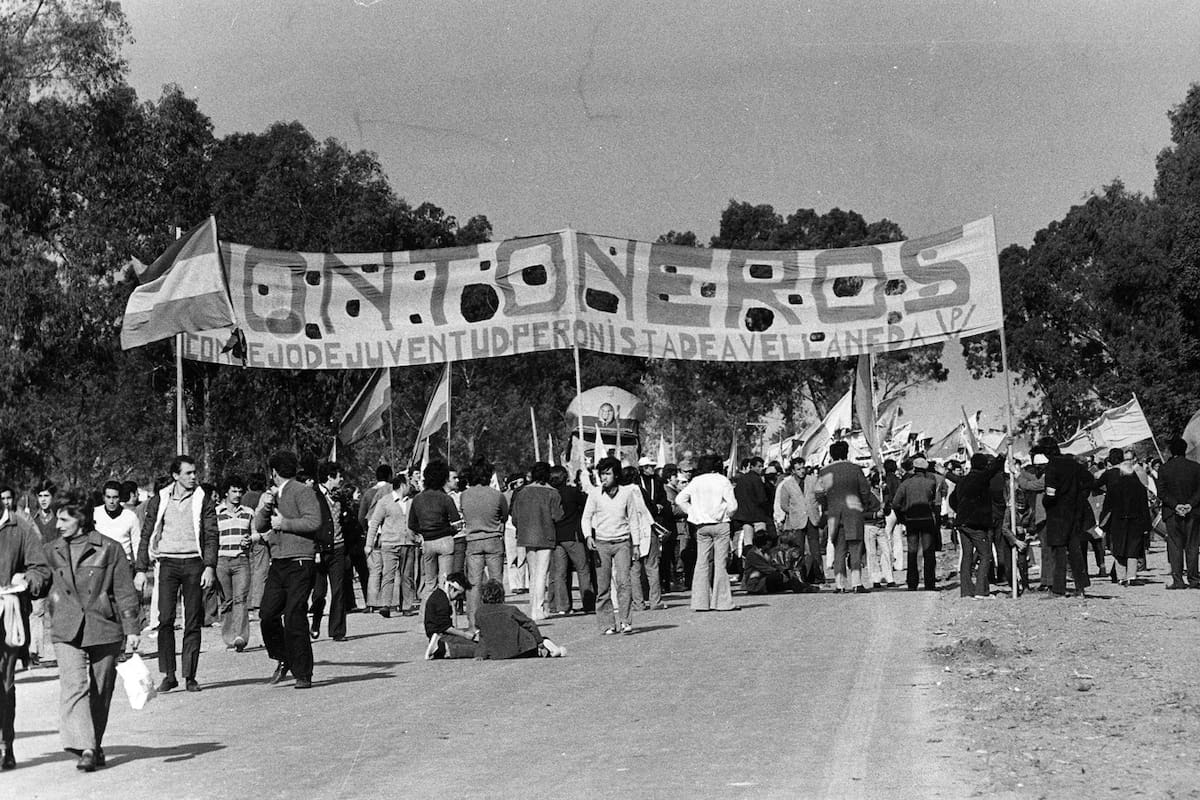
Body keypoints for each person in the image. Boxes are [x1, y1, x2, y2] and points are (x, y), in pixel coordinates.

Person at [44, 495, 140, 772]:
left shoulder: (109, 548)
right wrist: (27, 580)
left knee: (101, 691)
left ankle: (94, 745)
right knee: (74, 686)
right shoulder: (51, 550)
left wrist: (132, 629)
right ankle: (86, 746)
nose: (57, 524)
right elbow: (40, 579)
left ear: (81, 519)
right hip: (66, 627)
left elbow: (124, 591)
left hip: (103, 626)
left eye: (64, 519)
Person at [134, 455, 219, 693]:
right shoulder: (160, 499)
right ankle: (169, 675)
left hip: (194, 563)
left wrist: (210, 566)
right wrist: (141, 569)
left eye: (194, 473)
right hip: (167, 564)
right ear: (175, 475)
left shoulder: (203, 499)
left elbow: (212, 534)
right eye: (188, 473)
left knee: (193, 621)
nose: (193, 477)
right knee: (165, 620)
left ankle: (190, 675)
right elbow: (146, 533)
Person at [256, 451, 324, 689]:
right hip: (279, 561)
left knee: (295, 615)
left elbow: (314, 521)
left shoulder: (302, 491)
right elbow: (259, 525)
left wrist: (284, 523)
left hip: (300, 561)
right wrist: (264, 508)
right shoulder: (273, 495)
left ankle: (303, 672)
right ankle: (283, 655)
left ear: (273, 472)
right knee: (267, 614)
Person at [0, 498, 51, 770]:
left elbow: (41, 569)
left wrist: (26, 580)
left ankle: (4, 744)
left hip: (7, 617)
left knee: (4, 684)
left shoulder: (20, 527)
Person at [581, 457, 653, 634]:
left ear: (616, 475)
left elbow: (634, 519)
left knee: (624, 583)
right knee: (603, 585)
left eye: (607, 474)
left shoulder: (626, 493)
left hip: (622, 543)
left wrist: (636, 544)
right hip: (601, 544)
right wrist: (588, 536)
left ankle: (625, 621)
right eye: (601, 474)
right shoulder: (595, 494)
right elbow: (586, 517)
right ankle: (607, 624)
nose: (604, 478)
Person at [675, 453, 739, 612]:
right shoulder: (723, 480)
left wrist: (692, 513)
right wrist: (726, 515)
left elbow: (680, 499)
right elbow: (733, 506)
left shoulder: (696, 481)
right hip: (720, 524)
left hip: (701, 526)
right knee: (720, 563)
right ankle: (722, 602)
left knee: (702, 562)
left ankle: (700, 602)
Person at [816, 441, 876, 593]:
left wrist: (827, 504)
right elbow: (865, 491)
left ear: (831, 454)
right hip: (854, 512)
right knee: (855, 549)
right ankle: (856, 583)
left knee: (839, 550)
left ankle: (840, 584)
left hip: (834, 514)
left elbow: (818, 492)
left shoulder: (824, 471)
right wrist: (863, 505)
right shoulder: (855, 469)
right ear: (847, 452)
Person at [1040, 437, 1095, 597]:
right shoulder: (1073, 464)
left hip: (1057, 513)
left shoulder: (1051, 467)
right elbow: (1090, 480)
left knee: (1059, 551)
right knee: (1075, 549)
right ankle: (1081, 586)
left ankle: (1058, 589)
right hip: (1075, 512)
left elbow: (1050, 493)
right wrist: (1080, 496)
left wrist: (1047, 502)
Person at [510, 461, 563, 621]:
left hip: (526, 536)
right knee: (542, 573)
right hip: (546, 535)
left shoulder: (522, 492)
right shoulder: (553, 493)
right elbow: (558, 516)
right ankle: (538, 609)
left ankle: (533, 609)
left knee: (533, 574)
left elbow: (515, 518)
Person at [459, 463, 509, 627]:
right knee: (496, 581)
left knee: (473, 584)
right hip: (493, 539)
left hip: (473, 541)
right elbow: (505, 515)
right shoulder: (497, 495)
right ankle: (498, 620)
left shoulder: (464, 495)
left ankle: (473, 624)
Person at [949, 453, 1006, 598]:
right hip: (976, 524)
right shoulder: (981, 478)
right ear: (983, 465)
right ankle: (981, 591)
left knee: (967, 556)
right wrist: (1002, 457)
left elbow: (952, 500)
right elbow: (994, 469)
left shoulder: (963, 480)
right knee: (985, 555)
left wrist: (961, 511)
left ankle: (966, 591)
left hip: (961, 523)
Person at [1098, 449, 1152, 586]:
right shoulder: (1139, 487)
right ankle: (1132, 576)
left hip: (1118, 520)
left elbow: (1108, 505)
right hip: (1136, 521)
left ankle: (1121, 577)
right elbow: (1144, 507)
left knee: (1119, 548)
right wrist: (1147, 525)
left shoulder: (1115, 486)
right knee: (1133, 549)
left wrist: (1104, 522)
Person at [408, 461, 462, 601]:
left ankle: (424, 619)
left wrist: (425, 531)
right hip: (445, 541)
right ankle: (444, 617)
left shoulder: (417, 499)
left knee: (429, 583)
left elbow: (411, 524)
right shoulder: (446, 498)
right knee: (445, 583)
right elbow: (458, 524)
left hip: (428, 542)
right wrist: (449, 530)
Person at [366, 474, 417, 618]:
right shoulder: (385, 502)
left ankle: (407, 605)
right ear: (402, 485)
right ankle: (386, 605)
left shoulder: (411, 502)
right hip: (389, 543)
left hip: (408, 543)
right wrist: (369, 544)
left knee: (407, 575)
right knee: (388, 574)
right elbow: (374, 523)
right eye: (408, 484)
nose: (410, 487)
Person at [475, 579, 565, 659]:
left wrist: (480, 654)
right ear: (501, 595)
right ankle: (549, 647)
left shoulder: (479, 613)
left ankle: (546, 648)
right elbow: (530, 624)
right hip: (522, 651)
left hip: (498, 654)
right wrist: (539, 641)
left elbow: (482, 635)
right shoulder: (510, 610)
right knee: (536, 635)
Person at [214, 475, 255, 652]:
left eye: (240, 491)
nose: (237, 495)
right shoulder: (216, 513)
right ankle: (229, 637)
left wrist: (250, 539)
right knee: (226, 601)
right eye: (234, 491)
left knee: (241, 599)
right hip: (221, 561)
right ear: (226, 492)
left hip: (241, 560)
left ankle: (240, 636)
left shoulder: (248, 512)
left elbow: (256, 533)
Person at [548, 465, 594, 614]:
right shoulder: (572, 492)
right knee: (582, 569)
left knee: (560, 573)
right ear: (565, 477)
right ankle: (588, 603)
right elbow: (586, 503)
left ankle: (563, 606)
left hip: (556, 537)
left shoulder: (549, 494)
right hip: (573, 535)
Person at [311, 462, 350, 639]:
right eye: (339, 476)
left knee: (338, 589)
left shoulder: (341, 497)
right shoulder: (313, 496)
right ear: (330, 477)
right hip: (320, 550)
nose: (341, 480)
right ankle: (316, 619)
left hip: (338, 548)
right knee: (319, 592)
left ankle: (337, 630)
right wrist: (315, 549)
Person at [1156, 437, 1200, 590]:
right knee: (1193, 545)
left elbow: (1161, 492)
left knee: (1175, 545)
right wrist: (1190, 505)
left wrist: (1176, 505)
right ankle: (1194, 579)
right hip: (1193, 512)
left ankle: (1178, 580)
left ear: (1171, 451)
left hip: (1171, 513)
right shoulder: (1196, 467)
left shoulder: (1164, 468)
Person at [892, 457, 941, 591]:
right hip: (926, 520)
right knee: (928, 552)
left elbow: (896, 503)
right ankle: (929, 584)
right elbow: (934, 503)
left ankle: (912, 583)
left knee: (912, 552)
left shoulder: (905, 484)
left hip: (911, 520)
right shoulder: (930, 483)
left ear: (913, 469)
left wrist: (902, 517)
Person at [774, 456, 824, 586]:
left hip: (812, 518)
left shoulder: (813, 480)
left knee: (815, 549)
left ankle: (819, 575)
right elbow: (783, 504)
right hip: (797, 520)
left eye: (803, 468)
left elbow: (820, 496)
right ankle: (801, 577)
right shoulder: (787, 485)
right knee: (798, 550)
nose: (801, 471)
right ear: (793, 470)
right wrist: (793, 512)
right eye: (798, 469)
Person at [634, 457, 670, 606]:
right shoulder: (637, 486)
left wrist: (660, 506)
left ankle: (650, 599)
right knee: (640, 567)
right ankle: (642, 600)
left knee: (650, 565)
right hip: (643, 524)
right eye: (648, 466)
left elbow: (663, 499)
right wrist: (654, 508)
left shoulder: (658, 481)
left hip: (654, 522)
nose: (651, 469)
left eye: (652, 466)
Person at [741, 529, 819, 594]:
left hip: (765, 580)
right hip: (755, 583)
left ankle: (803, 587)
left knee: (788, 580)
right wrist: (782, 572)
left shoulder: (765, 552)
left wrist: (784, 569)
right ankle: (801, 587)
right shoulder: (753, 555)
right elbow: (767, 569)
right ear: (763, 544)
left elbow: (774, 564)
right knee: (778, 576)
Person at [423, 572, 478, 659]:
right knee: (475, 648)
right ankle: (442, 648)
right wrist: (464, 634)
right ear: (452, 588)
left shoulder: (440, 595)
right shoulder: (442, 600)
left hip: (439, 633)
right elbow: (445, 627)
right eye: (459, 594)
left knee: (470, 643)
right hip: (440, 634)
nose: (459, 598)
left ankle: (441, 647)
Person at [92, 480, 141, 565]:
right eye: (108, 497)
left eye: (115, 497)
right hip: (99, 563)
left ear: (120, 498)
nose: (111, 501)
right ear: (103, 498)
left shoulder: (130, 517)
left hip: (123, 564)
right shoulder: (95, 514)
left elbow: (137, 544)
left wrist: (139, 569)